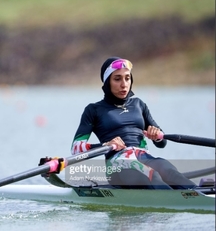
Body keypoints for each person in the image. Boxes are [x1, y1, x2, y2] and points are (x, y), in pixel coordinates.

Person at [70, 57, 196, 189]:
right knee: (154, 177)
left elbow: (162, 143)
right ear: (107, 82)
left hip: (144, 157)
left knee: (170, 172)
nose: (124, 84)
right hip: (118, 164)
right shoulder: (94, 110)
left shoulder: (139, 105)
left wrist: (157, 136)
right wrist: (106, 144)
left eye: (127, 78)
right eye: (117, 79)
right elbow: (75, 148)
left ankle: (200, 195)